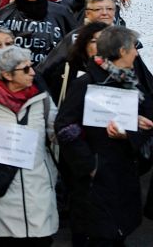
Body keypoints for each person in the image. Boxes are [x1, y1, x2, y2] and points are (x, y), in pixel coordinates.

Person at [56, 26, 153, 246]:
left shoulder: (132, 83)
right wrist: (90, 165)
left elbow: (148, 120)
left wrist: (130, 133)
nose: (136, 54)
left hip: (123, 181)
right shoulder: (85, 83)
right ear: (120, 51)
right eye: (132, 49)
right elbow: (64, 127)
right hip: (95, 187)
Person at [0, 46, 58, 245]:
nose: (33, 73)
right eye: (25, 69)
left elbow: (56, 133)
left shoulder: (42, 100)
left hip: (37, 192)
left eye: (31, 66)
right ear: (7, 75)